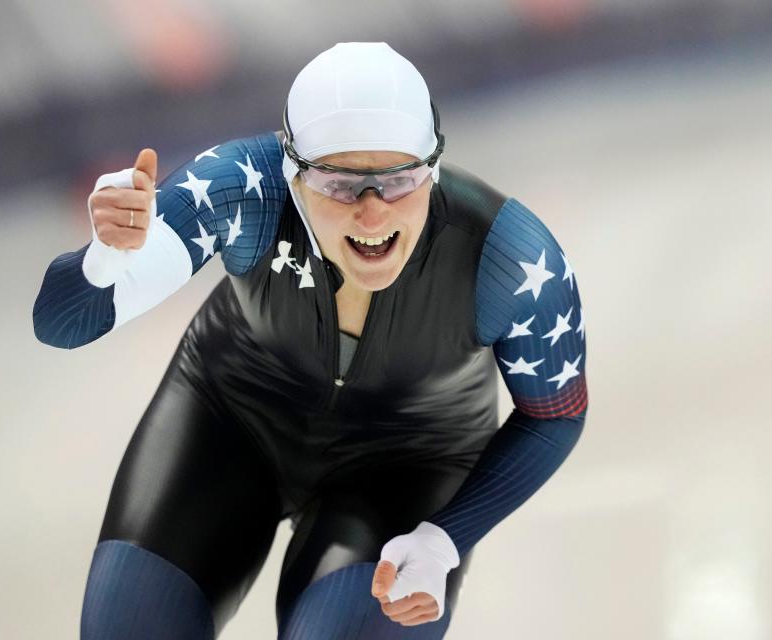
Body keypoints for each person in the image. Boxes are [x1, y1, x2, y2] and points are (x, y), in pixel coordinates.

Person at [33, 41, 588, 639]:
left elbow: (553, 415)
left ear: (432, 168)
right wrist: (105, 259)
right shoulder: (245, 189)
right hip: (227, 426)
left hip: (407, 464)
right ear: (293, 174)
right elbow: (62, 322)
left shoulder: (509, 257)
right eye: (341, 184)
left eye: (400, 181)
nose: (372, 216)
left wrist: (443, 539)